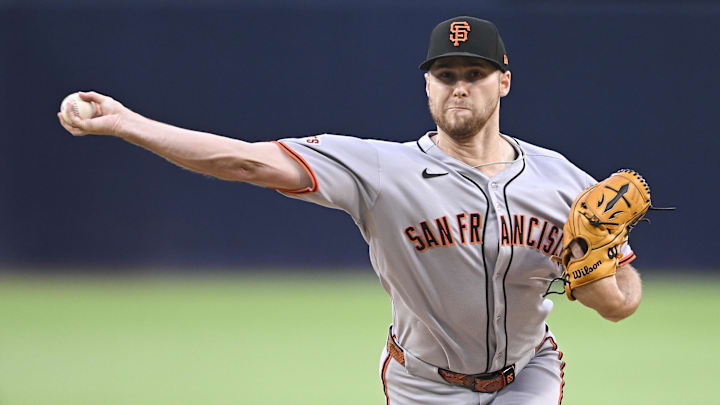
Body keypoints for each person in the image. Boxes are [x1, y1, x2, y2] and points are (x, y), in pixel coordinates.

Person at [58, 16, 642, 405]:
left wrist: (602, 283)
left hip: (527, 376)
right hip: (424, 385)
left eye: (475, 74)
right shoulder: (380, 170)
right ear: (428, 87)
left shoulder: (565, 182)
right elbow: (246, 162)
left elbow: (619, 302)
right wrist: (127, 123)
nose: (459, 86)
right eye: (446, 75)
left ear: (504, 83)